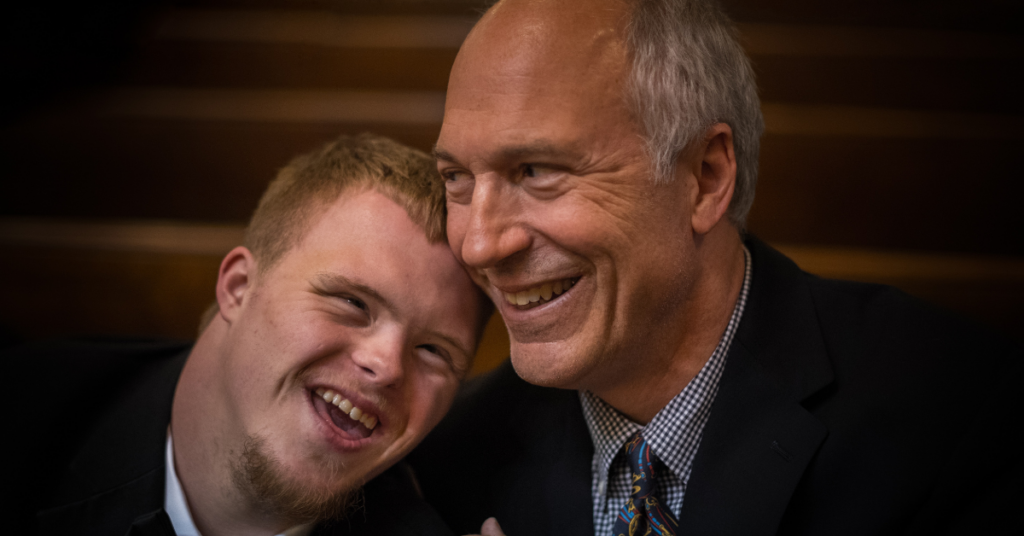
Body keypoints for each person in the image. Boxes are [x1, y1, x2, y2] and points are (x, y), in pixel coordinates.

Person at [408, 0, 1024, 535]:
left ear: (705, 178)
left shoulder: (955, 414)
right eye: (457, 178)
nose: (481, 244)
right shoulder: (447, 452)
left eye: (536, 172)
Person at [4, 133, 492, 536]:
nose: (386, 366)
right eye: (352, 303)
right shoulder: (25, 415)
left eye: (433, 351)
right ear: (238, 288)